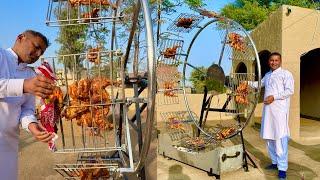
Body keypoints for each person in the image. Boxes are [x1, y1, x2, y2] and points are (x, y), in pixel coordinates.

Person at [0, 30, 56, 179]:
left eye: (41, 52)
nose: (38, 54)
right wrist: (23, 85)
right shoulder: (1, 56)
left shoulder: (30, 75)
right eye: (36, 47)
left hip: (8, 147)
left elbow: (26, 109)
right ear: (20, 38)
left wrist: (32, 126)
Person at [250, 52, 294, 179]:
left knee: (280, 138)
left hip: (279, 112)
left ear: (280, 61)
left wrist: (274, 97)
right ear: (269, 62)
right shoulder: (268, 75)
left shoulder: (286, 74)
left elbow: (289, 91)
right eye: (271, 60)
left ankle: (282, 168)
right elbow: (258, 84)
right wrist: (244, 83)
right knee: (269, 137)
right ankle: (275, 162)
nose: (273, 62)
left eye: (276, 60)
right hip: (268, 112)